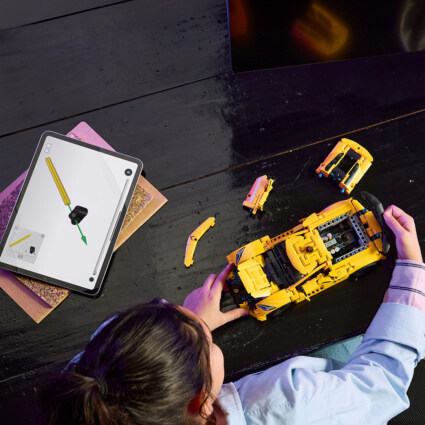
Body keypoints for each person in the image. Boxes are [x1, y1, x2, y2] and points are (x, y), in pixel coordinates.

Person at [41, 205, 424, 425]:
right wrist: (411, 269)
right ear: (202, 402)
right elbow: (383, 383)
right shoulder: (290, 405)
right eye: (206, 344)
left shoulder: (87, 386)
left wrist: (189, 335)